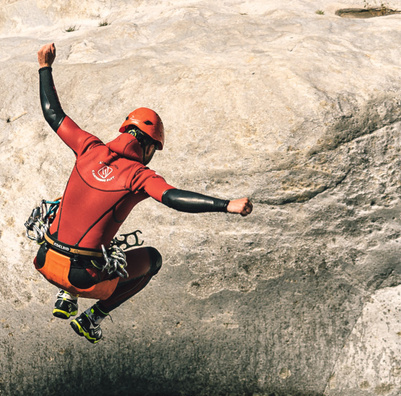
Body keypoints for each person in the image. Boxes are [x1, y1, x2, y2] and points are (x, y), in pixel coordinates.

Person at [32, 42, 254, 343]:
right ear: (148, 147)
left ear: (125, 131)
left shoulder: (88, 146)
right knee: (152, 259)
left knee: (71, 210)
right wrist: (226, 204)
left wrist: (45, 66)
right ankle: (92, 318)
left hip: (44, 258)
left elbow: (52, 113)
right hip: (82, 276)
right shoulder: (139, 175)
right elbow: (173, 197)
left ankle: (65, 298)